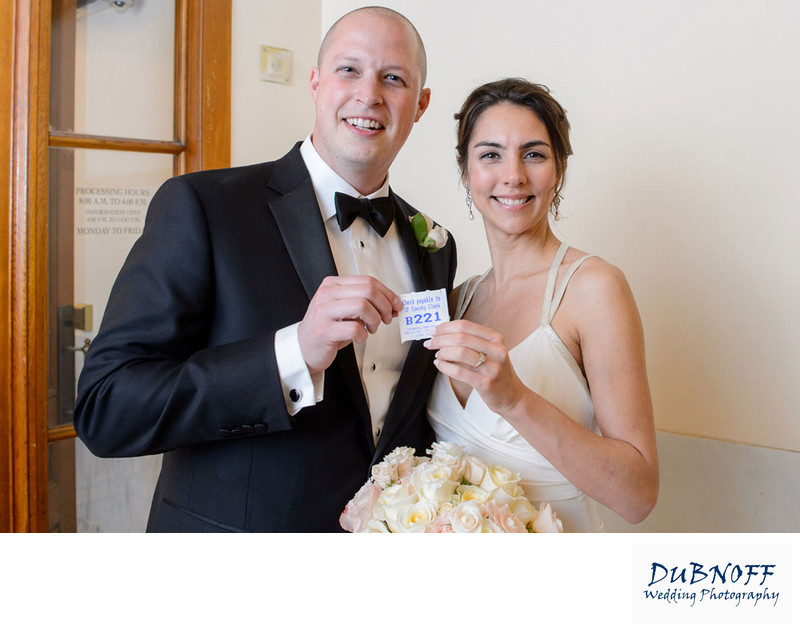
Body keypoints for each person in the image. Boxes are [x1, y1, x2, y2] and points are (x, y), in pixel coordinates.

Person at [73, 7, 457, 532]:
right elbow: (107, 408)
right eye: (349, 70)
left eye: (394, 78)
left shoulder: (434, 243)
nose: (370, 94)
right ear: (316, 82)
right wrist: (293, 353)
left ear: (421, 104)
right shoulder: (203, 207)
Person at [424, 78, 657, 532]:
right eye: (490, 154)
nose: (513, 175)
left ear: (559, 170)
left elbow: (639, 496)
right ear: (466, 170)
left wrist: (514, 400)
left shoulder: (594, 289)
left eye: (533, 154)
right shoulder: (456, 299)